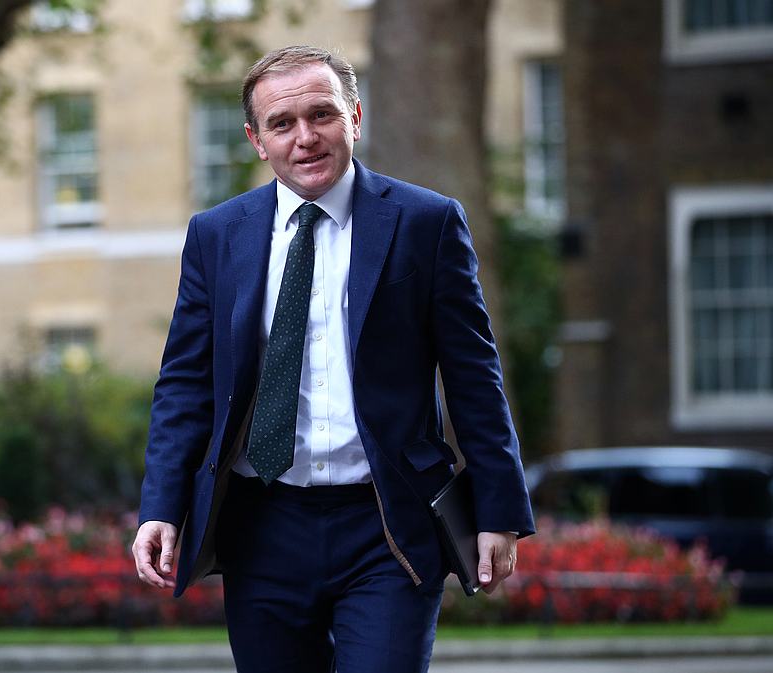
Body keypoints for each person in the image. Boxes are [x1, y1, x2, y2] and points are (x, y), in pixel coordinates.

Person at [132, 45, 535, 673]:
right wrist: (160, 504)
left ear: (355, 115)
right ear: (256, 140)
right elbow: (185, 383)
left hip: (387, 525)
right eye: (282, 124)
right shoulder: (217, 235)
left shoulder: (425, 223)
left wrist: (499, 510)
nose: (305, 137)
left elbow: (473, 378)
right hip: (260, 525)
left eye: (322, 115)